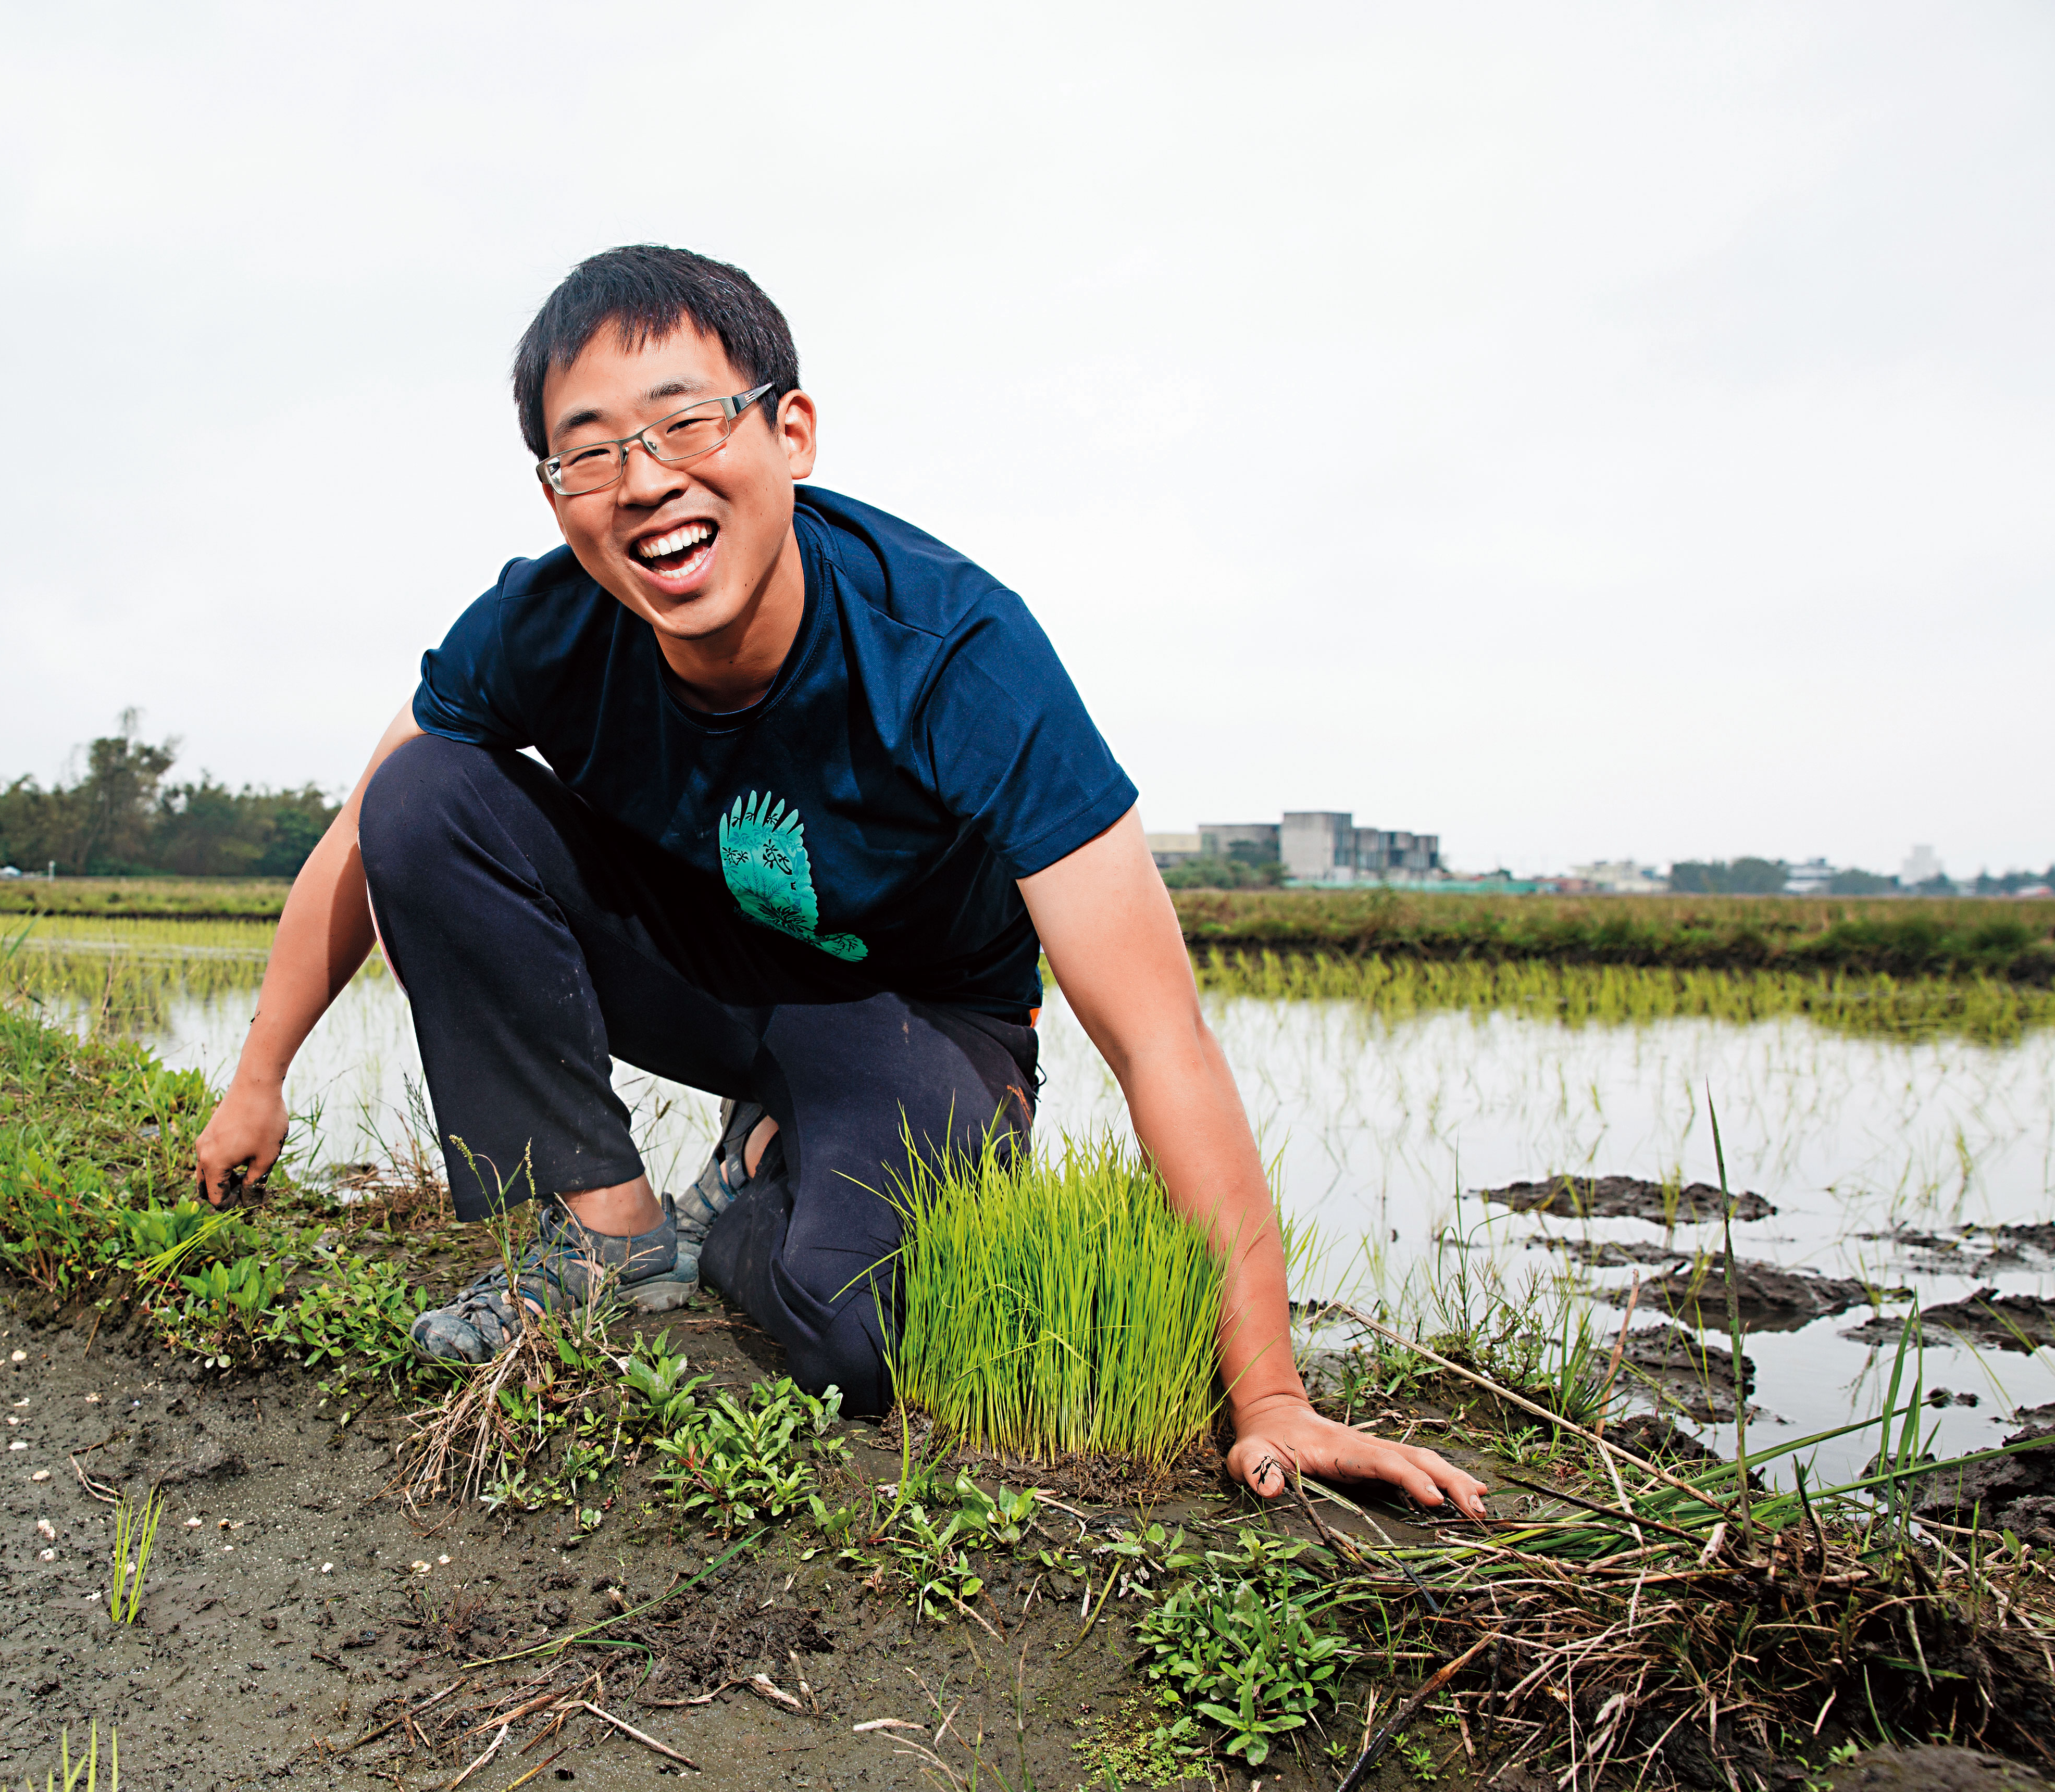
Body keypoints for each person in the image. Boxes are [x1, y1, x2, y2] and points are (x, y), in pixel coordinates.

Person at [192, 247, 1485, 1515]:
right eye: (588, 451)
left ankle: (749, 1196)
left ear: (789, 431)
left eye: (684, 422)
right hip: (711, 973)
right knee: (418, 793)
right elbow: (361, 841)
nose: (641, 483)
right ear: (553, 492)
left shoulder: (956, 653)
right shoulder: (538, 626)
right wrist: (256, 1079)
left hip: (920, 1018)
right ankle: (607, 1227)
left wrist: (1266, 1394)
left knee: (849, 1339)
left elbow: (1159, 1038)